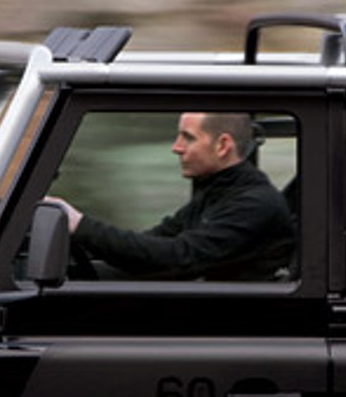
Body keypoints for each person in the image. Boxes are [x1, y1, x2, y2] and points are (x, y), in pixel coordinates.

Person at [53, 112, 296, 281]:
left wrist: (81, 225)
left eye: (188, 137)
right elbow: (153, 243)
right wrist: (82, 245)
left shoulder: (252, 204)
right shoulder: (216, 193)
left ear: (222, 146)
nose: (176, 147)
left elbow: (176, 259)